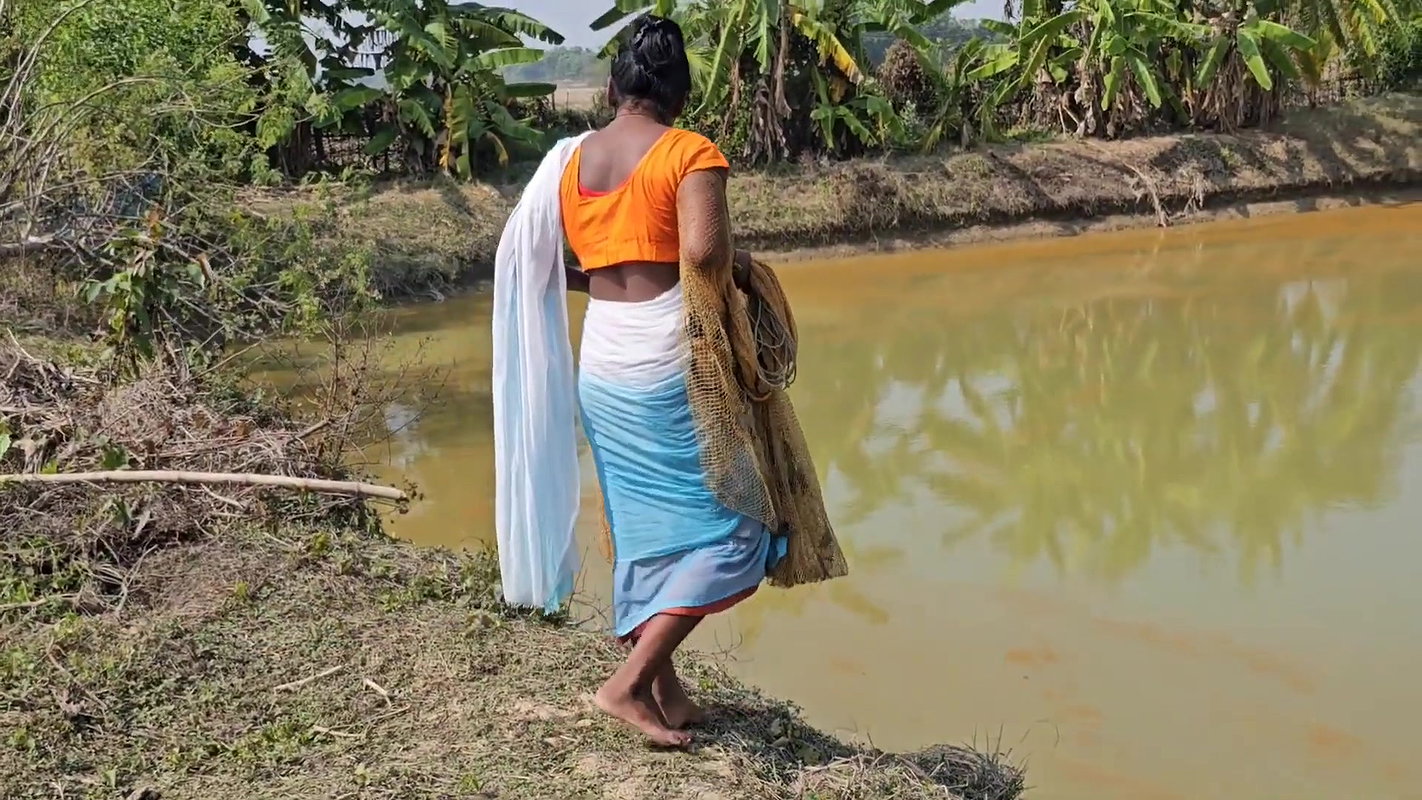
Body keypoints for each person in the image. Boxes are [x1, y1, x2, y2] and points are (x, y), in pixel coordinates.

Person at [558, 15, 779, 748]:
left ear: (616, 87)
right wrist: (743, 268)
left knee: (643, 527)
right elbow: (704, 253)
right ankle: (625, 686)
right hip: (663, 361)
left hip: (602, 361)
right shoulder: (689, 153)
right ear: (678, 97)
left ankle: (666, 692)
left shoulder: (572, 161)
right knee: (736, 526)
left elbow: (572, 267)